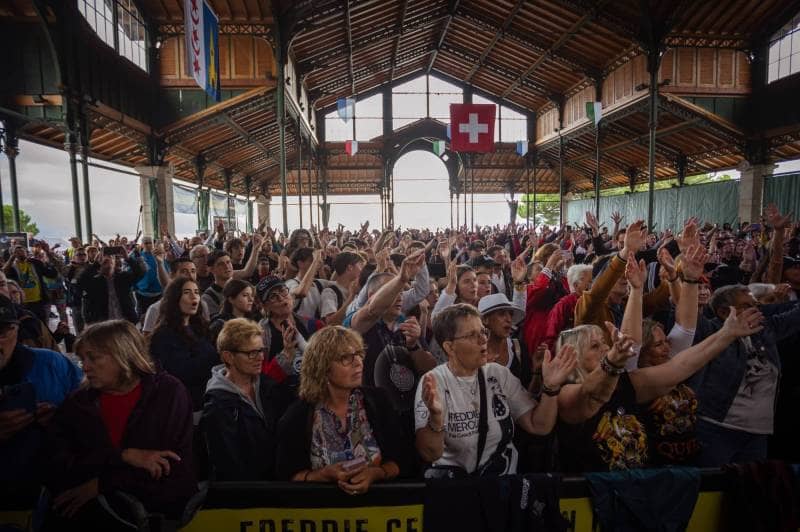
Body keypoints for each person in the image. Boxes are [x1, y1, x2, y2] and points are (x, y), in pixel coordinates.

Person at [555, 251, 764, 472]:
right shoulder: (565, 393)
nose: (605, 348)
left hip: (639, 490)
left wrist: (727, 334)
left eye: (604, 343)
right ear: (573, 356)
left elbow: (679, 367)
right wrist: (613, 360)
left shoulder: (625, 383)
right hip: (590, 498)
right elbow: (592, 393)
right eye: (595, 346)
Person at [44, 320, 196, 528]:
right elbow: (60, 464)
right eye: (82, 359)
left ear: (123, 355)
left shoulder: (168, 393)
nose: (85, 367)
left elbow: (168, 469)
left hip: (161, 516)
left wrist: (101, 484)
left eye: (94, 358)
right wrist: (123, 456)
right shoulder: (78, 404)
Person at [414, 304, 576, 477]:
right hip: (459, 490)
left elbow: (539, 425)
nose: (483, 339)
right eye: (471, 335)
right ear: (449, 347)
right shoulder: (434, 382)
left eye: (483, 331)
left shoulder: (498, 374)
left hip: (503, 487)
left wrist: (550, 388)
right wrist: (436, 420)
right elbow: (431, 454)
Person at [275, 326, 408, 495]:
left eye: (359, 354)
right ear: (322, 367)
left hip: (377, 512)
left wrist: (377, 473)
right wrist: (321, 475)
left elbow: (403, 459)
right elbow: (286, 475)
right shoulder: (298, 415)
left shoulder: (379, 401)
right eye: (346, 358)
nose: (358, 362)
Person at [0, 295, 82, 500]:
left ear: (16, 329)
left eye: (2, 332)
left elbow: (94, 411)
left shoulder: (51, 364)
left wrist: (63, 418)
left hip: (54, 493)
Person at [202, 318, 293, 481]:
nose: (260, 358)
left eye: (261, 350)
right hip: (248, 492)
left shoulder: (267, 386)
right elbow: (230, 466)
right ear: (228, 357)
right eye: (251, 353)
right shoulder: (217, 407)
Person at [150, 277, 218, 412]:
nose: (194, 297)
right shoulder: (163, 335)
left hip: (208, 399)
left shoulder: (201, 328)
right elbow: (182, 372)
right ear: (175, 298)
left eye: (197, 292)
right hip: (184, 405)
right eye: (187, 292)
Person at [142, 256, 210, 336]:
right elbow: (147, 341)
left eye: (193, 271)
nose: (190, 276)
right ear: (172, 275)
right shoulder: (156, 309)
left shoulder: (202, 305)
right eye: (184, 272)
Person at [77, 248, 146, 324]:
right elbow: (80, 283)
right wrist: (95, 264)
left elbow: (140, 273)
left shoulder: (123, 277)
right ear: (100, 265)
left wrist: (127, 258)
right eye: (105, 262)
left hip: (126, 321)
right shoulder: (95, 281)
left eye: (111, 261)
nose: (108, 265)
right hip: (104, 323)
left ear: (114, 263)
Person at [202, 236, 263, 316]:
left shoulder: (243, 286)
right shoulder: (208, 297)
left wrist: (255, 249)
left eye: (228, 262)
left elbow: (247, 271)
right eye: (221, 264)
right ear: (211, 269)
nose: (227, 267)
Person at [3, 244, 59, 323]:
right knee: (27, 327)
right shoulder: (11, 267)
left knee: (42, 326)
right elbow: (3, 274)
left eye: (22, 250)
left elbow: (52, 274)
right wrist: (11, 258)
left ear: (26, 252)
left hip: (38, 301)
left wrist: (48, 253)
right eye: (16, 251)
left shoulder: (35, 263)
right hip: (22, 304)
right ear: (12, 254)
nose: (20, 252)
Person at [208, 279, 258, 345]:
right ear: (231, 299)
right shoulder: (220, 325)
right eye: (245, 295)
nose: (251, 299)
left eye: (252, 295)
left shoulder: (254, 321)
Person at [320, 251, 363, 325]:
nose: (362, 270)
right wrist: (351, 297)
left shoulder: (358, 290)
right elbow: (330, 322)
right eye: (360, 265)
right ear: (350, 267)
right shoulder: (330, 292)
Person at [133, 236, 163, 320]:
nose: (149, 245)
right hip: (143, 294)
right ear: (142, 245)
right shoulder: (138, 258)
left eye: (150, 243)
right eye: (146, 243)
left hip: (158, 293)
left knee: (158, 318)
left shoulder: (159, 256)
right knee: (144, 318)